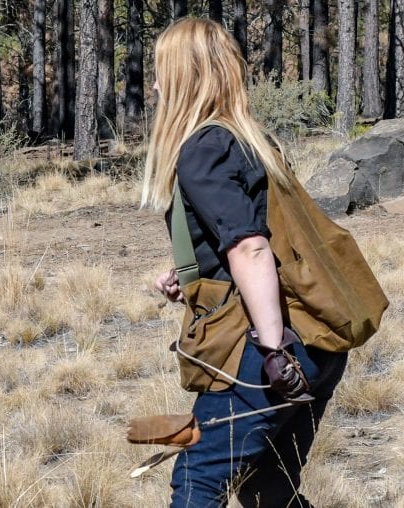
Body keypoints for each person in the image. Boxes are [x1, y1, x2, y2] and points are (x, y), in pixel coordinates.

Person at [142, 19, 348, 507]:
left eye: (159, 73)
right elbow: (258, 234)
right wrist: (194, 272)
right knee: (266, 489)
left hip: (272, 353)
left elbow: (251, 248)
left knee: (199, 478)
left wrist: (274, 351)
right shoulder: (251, 139)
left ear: (183, 79)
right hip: (318, 341)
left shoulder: (201, 149)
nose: (152, 86)